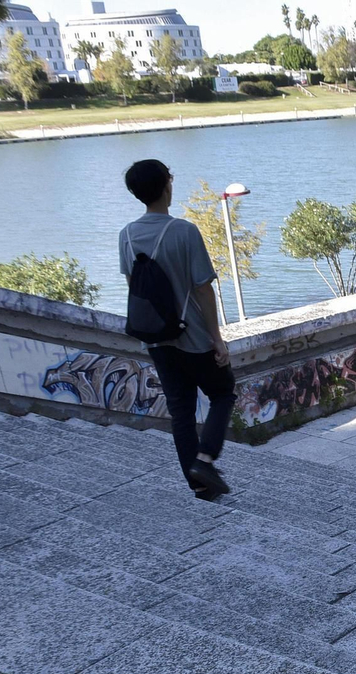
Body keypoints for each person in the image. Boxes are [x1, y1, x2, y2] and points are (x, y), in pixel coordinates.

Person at [119, 158, 235, 500]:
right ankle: (205, 459)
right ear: (166, 186)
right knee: (223, 393)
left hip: (156, 339)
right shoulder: (184, 231)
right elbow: (202, 288)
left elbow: (134, 286)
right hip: (193, 335)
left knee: (180, 410)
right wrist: (217, 339)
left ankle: (199, 484)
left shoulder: (125, 235)